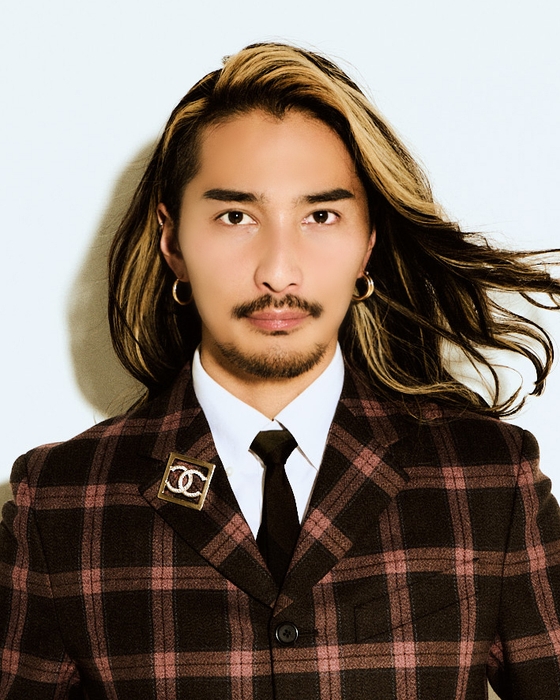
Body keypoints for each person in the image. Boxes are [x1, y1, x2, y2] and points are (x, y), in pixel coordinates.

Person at [1, 42, 560, 700]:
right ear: (173, 241)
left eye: (320, 216)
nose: (279, 271)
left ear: (367, 244)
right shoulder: (61, 503)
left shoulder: (488, 480)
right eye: (236, 217)